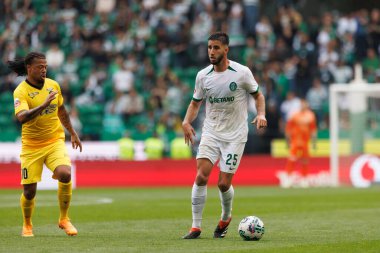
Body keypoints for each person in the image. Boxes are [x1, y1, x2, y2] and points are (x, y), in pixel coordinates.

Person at [181, 32, 267, 239]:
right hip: (211, 132)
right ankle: (195, 227)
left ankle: (226, 217)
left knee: (223, 184)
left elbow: (258, 96)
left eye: (216, 47)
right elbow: (195, 103)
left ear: (226, 49)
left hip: (235, 136)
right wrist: (186, 121)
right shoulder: (203, 75)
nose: (212, 51)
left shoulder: (241, 72)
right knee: (201, 175)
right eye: (210, 47)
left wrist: (262, 114)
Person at [8, 52, 82, 237]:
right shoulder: (21, 91)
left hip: (54, 141)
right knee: (30, 191)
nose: (44, 70)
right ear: (29, 68)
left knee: (65, 173)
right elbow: (22, 117)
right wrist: (43, 104)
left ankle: (64, 219)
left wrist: (72, 133)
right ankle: (27, 224)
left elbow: (61, 110)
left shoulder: (53, 85)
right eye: (40, 67)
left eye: (45, 66)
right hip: (31, 147)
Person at [284, 99, 317, 187]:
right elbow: (288, 128)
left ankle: (304, 180)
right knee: (292, 159)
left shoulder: (310, 116)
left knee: (305, 160)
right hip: (295, 142)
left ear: (307, 105)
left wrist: (314, 142)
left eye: (305, 104)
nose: (303, 106)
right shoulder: (294, 115)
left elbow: (313, 130)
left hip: (305, 142)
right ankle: (288, 179)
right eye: (302, 104)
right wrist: (288, 141)